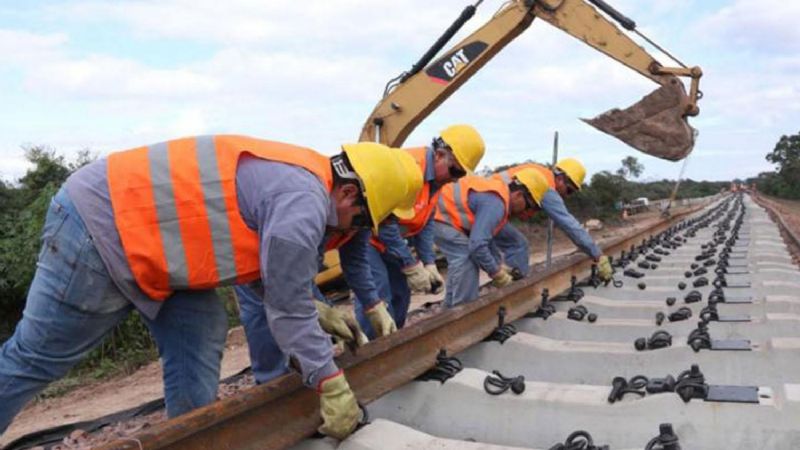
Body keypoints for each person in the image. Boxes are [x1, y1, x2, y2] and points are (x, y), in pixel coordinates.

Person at [0, 135, 422, 440]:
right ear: (349, 193)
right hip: (100, 225)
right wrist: (331, 385)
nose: (358, 232)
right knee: (35, 358)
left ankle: (188, 439)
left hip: (159, 248)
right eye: (364, 221)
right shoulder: (302, 205)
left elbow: (268, 276)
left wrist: (317, 311)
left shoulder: (305, 182)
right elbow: (286, 310)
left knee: (200, 332)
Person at [353, 124, 486, 338]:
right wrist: (411, 265)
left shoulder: (436, 180)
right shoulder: (410, 169)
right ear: (440, 154)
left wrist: (429, 262)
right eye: (456, 170)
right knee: (378, 296)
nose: (455, 178)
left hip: (391, 244)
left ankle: (391, 346)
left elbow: (426, 221)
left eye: (460, 174)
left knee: (400, 294)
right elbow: (387, 226)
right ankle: (366, 350)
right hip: (368, 239)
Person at [432, 168, 550, 307]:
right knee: (466, 258)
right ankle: (464, 313)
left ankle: (449, 311)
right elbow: (477, 245)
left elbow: (485, 240)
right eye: (529, 206)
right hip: (435, 214)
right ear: (518, 195)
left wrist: (499, 265)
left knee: (461, 260)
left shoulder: (498, 198)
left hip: (439, 214)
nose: (527, 212)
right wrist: (497, 273)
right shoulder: (496, 204)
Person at [492, 158, 613, 281]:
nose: (566, 195)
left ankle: (503, 280)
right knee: (518, 245)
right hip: (489, 208)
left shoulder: (540, 174)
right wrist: (598, 255)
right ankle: (513, 289)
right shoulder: (545, 187)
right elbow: (569, 224)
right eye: (569, 190)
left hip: (484, 205)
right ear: (560, 179)